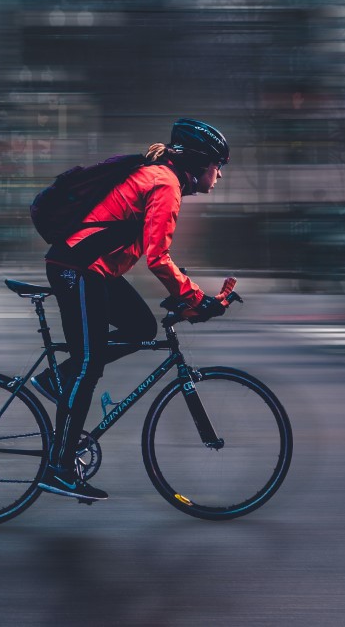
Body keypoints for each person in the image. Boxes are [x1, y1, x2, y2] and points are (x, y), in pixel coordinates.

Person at [34, 118, 231, 501]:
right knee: (88, 365)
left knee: (141, 327)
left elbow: (153, 252)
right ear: (200, 162)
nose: (219, 174)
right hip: (78, 267)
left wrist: (187, 295)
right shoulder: (165, 184)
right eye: (218, 165)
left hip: (92, 268)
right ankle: (58, 467)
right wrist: (194, 297)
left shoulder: (162, 178)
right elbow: (158, 258)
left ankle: (59, 379)